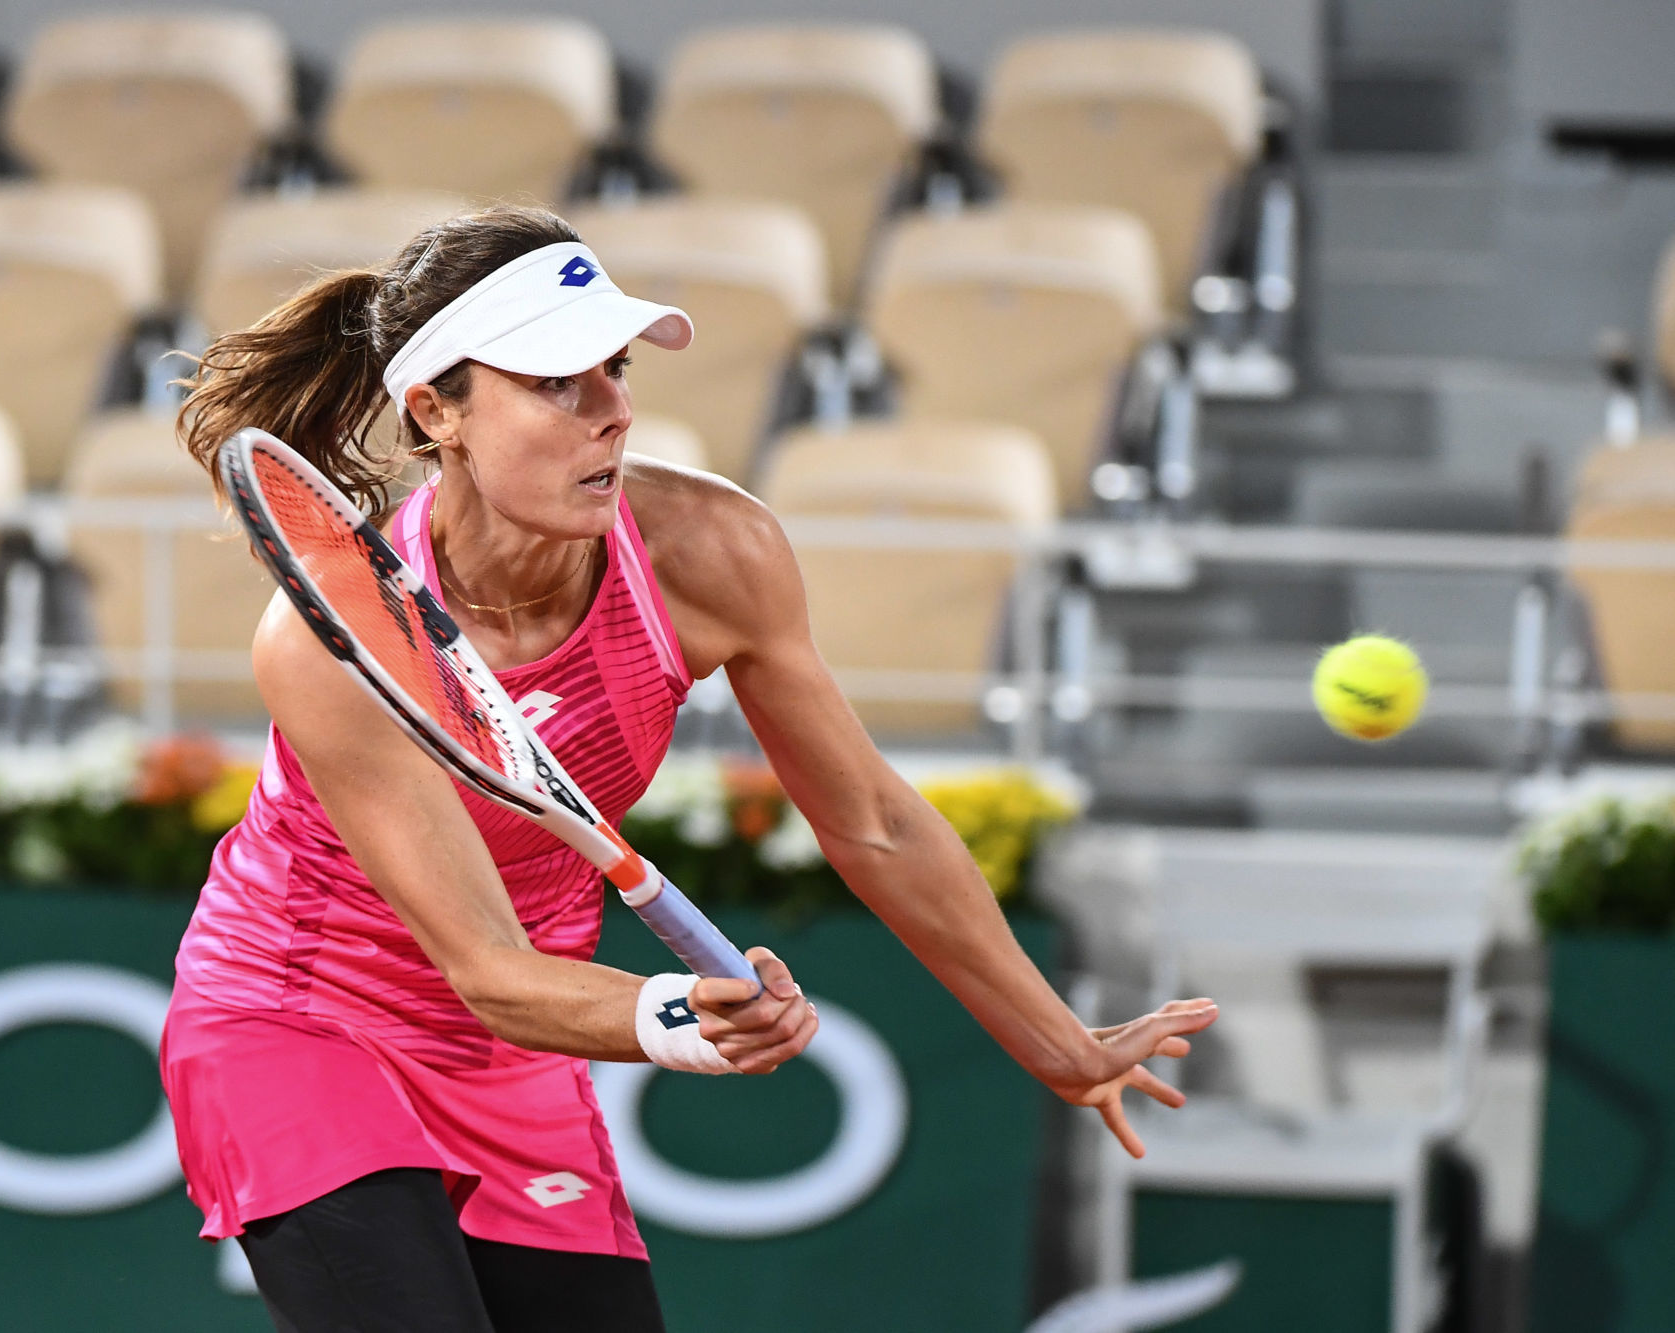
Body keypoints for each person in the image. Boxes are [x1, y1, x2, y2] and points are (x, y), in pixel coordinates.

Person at [160, 205, 1218, 1333]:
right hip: (302, 1022)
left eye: (612, 370)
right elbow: (482, 967)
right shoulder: (333, 637)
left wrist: (1057, 1043)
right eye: (556, 383)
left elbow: (873, 824)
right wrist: (676, 1015)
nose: (613, 412)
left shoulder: (712, 554)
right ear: (437, 410)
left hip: (523, 1042)